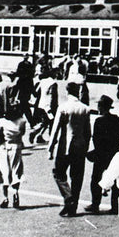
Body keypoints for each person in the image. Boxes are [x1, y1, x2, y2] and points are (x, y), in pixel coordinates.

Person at [48, 82, 91, 217]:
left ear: (67, 92)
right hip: (80, 146)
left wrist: (50, 147)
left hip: (64, 146)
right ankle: (73, 205)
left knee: (58, 173)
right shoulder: (85, 108)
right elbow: (87, 132)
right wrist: (86, 146)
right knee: (77, 177)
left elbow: (55, 129)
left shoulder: (63, 107)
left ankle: (68, 197)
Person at [86, 95, 119, 213]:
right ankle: (115, 206)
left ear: (101, 107)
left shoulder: (99, 121)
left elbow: (95, 139)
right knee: (115, 180)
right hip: (114, 153)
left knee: (96, 179)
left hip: (101, 154)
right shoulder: (117, 119)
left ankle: (95, 204)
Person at [0, 99, 28, 209]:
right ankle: (15, 193)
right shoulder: (22, 121)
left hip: (3, 147)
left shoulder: (2, 121)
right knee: (16, 171)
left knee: (4, 172)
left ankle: (5, 198)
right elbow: (22, 133)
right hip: (16, 147)